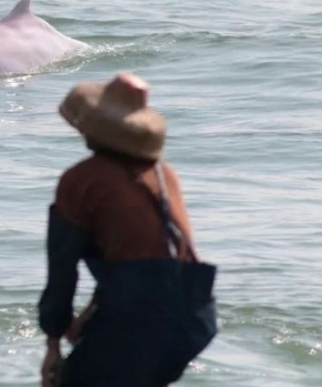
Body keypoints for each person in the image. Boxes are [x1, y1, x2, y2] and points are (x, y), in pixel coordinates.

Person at [37, 72, 217, 387]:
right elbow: (144, 255)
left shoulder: (81, 180)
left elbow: (62, 269)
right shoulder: (164, 175)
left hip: (137, 315)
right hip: (194, 317)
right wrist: (91, 315)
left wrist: (53, 342)